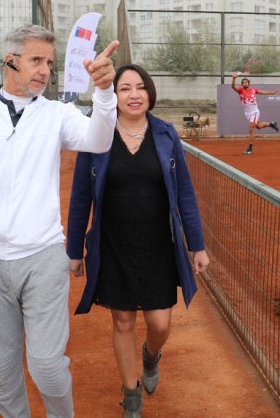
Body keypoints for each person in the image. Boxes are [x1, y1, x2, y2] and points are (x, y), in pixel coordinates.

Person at [0, 24, 120, 418]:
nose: (45, 70)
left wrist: (104, 93)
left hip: (43, 257)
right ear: (10, 61)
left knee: (48, 368)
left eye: (49, 63)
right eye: (36, 60)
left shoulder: (56, 114)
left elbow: (98, 141)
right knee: (1, 372)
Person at [67, 63, 210, 418]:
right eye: (125, 88)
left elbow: (185, 195)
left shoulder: (165, 134)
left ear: (150, 93)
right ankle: (130, 394)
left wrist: (197, 244)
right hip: (113, 243)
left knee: (160, 323)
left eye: (140, 87)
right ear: (112, 96)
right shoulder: (96, 135)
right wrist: (75, 250)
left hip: (159, 243)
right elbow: (81, 195)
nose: (134, 94)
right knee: (123, 321)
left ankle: (150, 356)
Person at [230, 71, 279, 155]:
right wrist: (234, 79)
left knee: (251, 129)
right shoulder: (241, 90)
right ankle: (271, 124)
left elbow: (262, 92)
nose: (245, 83)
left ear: (249, 83)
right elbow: (233, 87)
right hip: (248, 114)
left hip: (255, 112)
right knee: (259, 126)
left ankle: (250, 148)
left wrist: (272, 92)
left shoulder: (253, 90)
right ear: (242, 84)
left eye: (246, 82)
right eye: (243, 82)